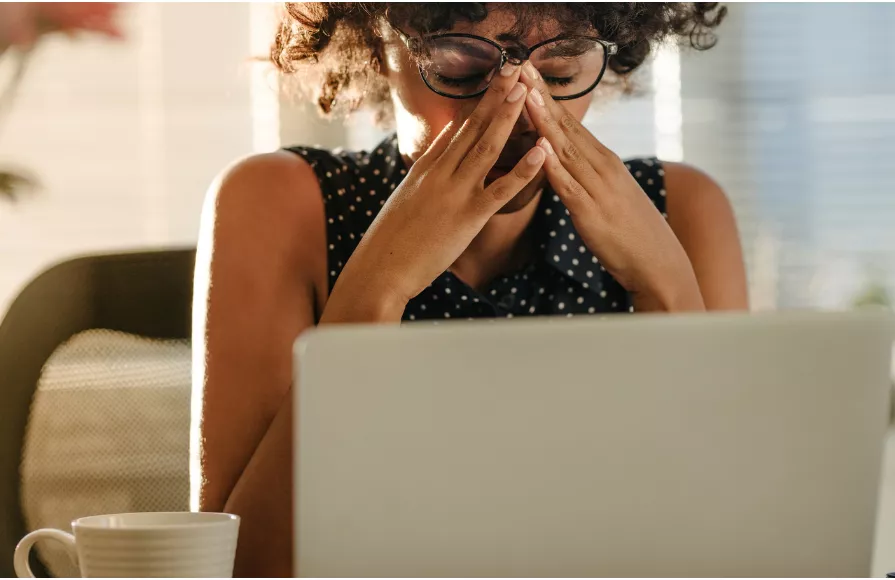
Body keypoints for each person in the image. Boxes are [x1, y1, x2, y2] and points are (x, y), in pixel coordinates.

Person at [192, 3, 748, 576]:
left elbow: (736, 546)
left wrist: (667, 291)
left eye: (560, 74)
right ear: (377, 50)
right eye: (459, 69)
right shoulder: (278, 204)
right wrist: (378, 288)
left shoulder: (682, 210)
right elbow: (241, 564)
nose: (520, 111)